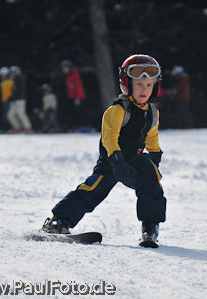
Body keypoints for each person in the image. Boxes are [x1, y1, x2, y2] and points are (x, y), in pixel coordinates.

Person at [42, 54, 166, 247]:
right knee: (94, 187)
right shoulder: (118, 109)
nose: (144, 90)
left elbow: (151, 135)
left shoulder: (152, 111)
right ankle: (59, 221)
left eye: (149, 85)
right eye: (139, 84)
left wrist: (155, 158)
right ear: (127, 84)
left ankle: (150, 226)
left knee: (152, 182)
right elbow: (109, 136)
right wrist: (116, 160)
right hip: (112, 157)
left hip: (135, 157)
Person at [61, 59, 86, 130]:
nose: (63, 70)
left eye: (65, 68)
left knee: (79, 114)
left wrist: (78, 98)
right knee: (72, 113)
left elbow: (78, 87)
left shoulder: (74, 75)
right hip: (72, 97)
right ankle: (75, 127)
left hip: (77, 98)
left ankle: (82, 127)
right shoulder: (67, 76)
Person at [7, 65, 32, 133]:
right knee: (10, 115)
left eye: (12, 73)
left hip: (20, 100)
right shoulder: (13, 80)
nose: (11, 74)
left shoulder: (19, 78)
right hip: (14, 100)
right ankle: (17, 127)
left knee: (21, 114)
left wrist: (15, 97)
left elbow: (18, 90)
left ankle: (28, 128)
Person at [0, 66, 13, 130]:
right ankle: (6, 128)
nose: (1, 76)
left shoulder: (10, 81)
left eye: (3, 75)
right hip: (4, 100)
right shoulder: (2, 82)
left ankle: (11, 127)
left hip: (10, 100)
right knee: (5, 115)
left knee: (10, 115)